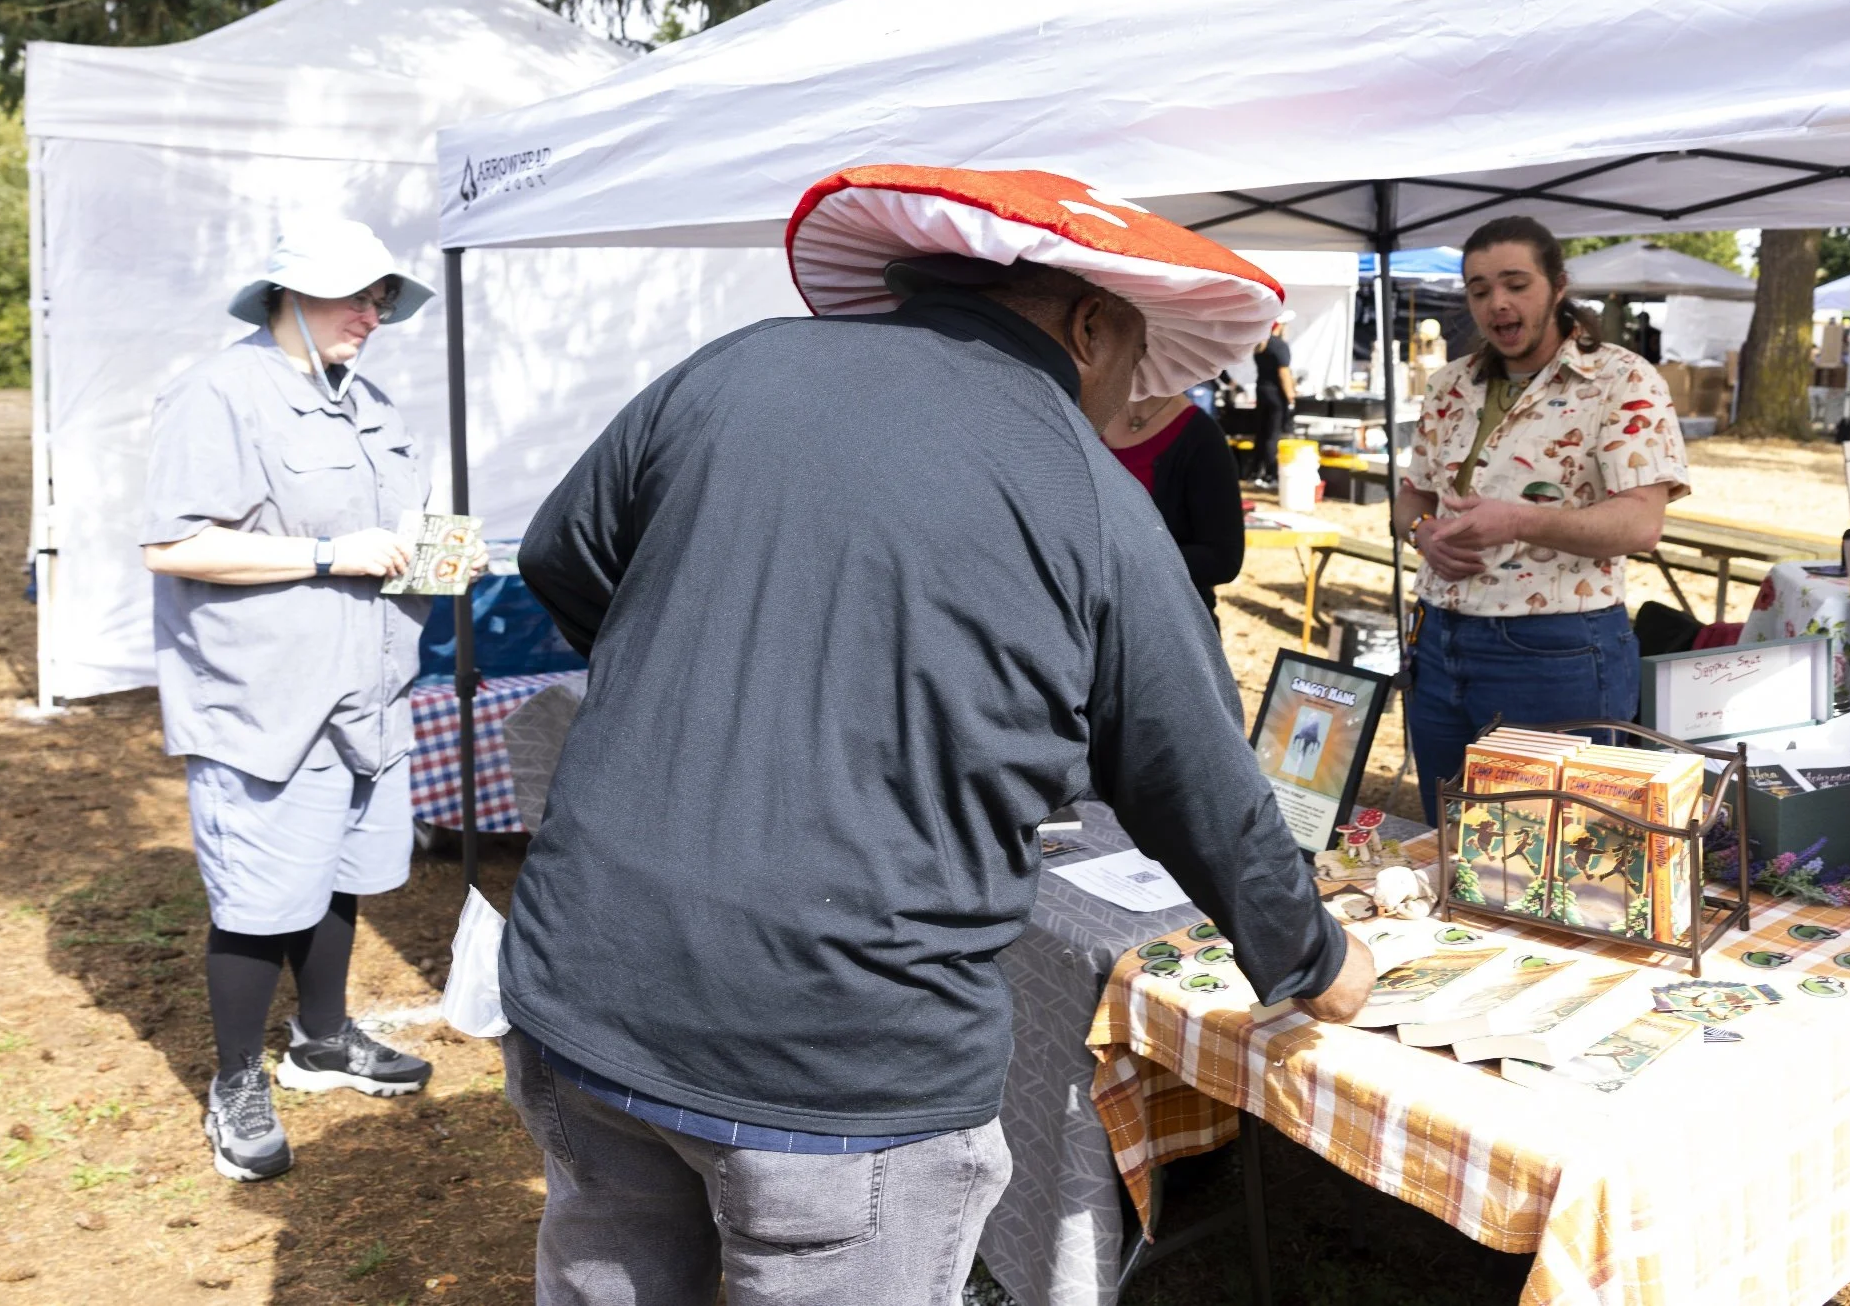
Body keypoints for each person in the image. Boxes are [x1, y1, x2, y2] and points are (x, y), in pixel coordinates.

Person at [499, 166, 1373, 1306]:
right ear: (1089, 323)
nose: (1127, 403)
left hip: (588, 984)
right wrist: (1315, 955)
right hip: (839, 1061)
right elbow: (1200, 782)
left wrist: (695, 676)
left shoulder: (736, 366)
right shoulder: (1087, 489)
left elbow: (561, 555)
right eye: (1131, 367)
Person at [141, 216, 476, 1183]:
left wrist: (444, 552)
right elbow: (173, 545)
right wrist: (328, 554)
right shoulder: (218, 392)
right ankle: (236, 1077)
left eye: (379, 298)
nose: (370, 315)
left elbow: (394, 532)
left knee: (336, 870)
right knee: (260, 896)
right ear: (287, 293)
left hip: (365, 694)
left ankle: (323, 1040)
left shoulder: (368, 400)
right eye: (351, 294)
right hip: (265, 701)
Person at [1392, 217, 1690, 821]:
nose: (1497, 303)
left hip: (1554, 650)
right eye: (1479, 290)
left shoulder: (1622, 379)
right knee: (1448, 841)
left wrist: (1518, 521)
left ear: (1558, 286)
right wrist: (1423, 536)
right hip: (1438, 639)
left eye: (1514, 284)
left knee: (1549, 856)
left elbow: (1640, 525)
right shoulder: (1452, 383)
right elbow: (1410, 499)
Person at [1101, 390, 1245, 615]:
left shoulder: (1200, 436)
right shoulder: (1087, 416)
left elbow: (1223, 558)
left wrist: (1117, 566)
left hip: (1166, 625)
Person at [1246, 315, 1296, 483]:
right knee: (1272, 435)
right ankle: (1270, 474)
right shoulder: (1279, 345)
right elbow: (1284, 373)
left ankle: (1255, 472)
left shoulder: (1260, 346)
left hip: (1262, 392)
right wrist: (1290, 395)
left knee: (1261, 433)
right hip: (1275, 395)